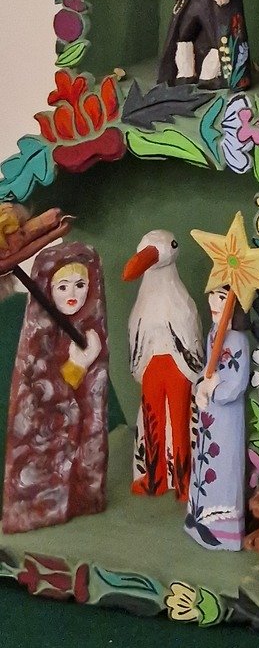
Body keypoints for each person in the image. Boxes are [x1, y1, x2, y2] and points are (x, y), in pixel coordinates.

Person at [2, 240, 109, 535]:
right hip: (43, 455)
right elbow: (42, 393)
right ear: (48, 289)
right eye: (62, 287)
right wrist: (76, 366)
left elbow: (88, 399)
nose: (72, 294)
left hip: (76, 448)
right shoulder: (40, 341)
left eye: (80, 285)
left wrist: (83, 365)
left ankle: (83, 498)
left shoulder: (90, 332)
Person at [123, 229, 203, 500]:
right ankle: (155, 477)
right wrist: (140, 366)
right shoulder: (143, 304)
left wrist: (192, 370)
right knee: (152, 421)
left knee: (181, 421)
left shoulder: (182, 303)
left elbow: (191, 341)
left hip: (179, 368)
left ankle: (185, 480)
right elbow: (136, 335)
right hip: (151, 367)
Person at [185, 283, 250, 550]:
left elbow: (236, 384)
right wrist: (201, 386)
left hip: (227, 417)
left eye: (222, 297)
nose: (214, 301)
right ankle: (198, 517)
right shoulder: (214, 333)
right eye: (212, 294)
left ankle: (223, 529)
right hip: (208, 412)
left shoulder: (238, 341)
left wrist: (214, 387)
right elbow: (206, 369)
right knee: (203, 459)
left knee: (222, 466)